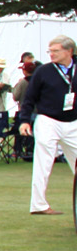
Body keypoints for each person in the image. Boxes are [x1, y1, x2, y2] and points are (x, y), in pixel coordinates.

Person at [17, 34, 77, 214]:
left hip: (72, 122)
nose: (51, 54)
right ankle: (39, 205)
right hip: (47, 121)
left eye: (55, 51)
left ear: (69, 51)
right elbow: (29, 98)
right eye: (49, 51)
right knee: (43, 162)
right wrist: (24, 121)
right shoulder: (43, 71)